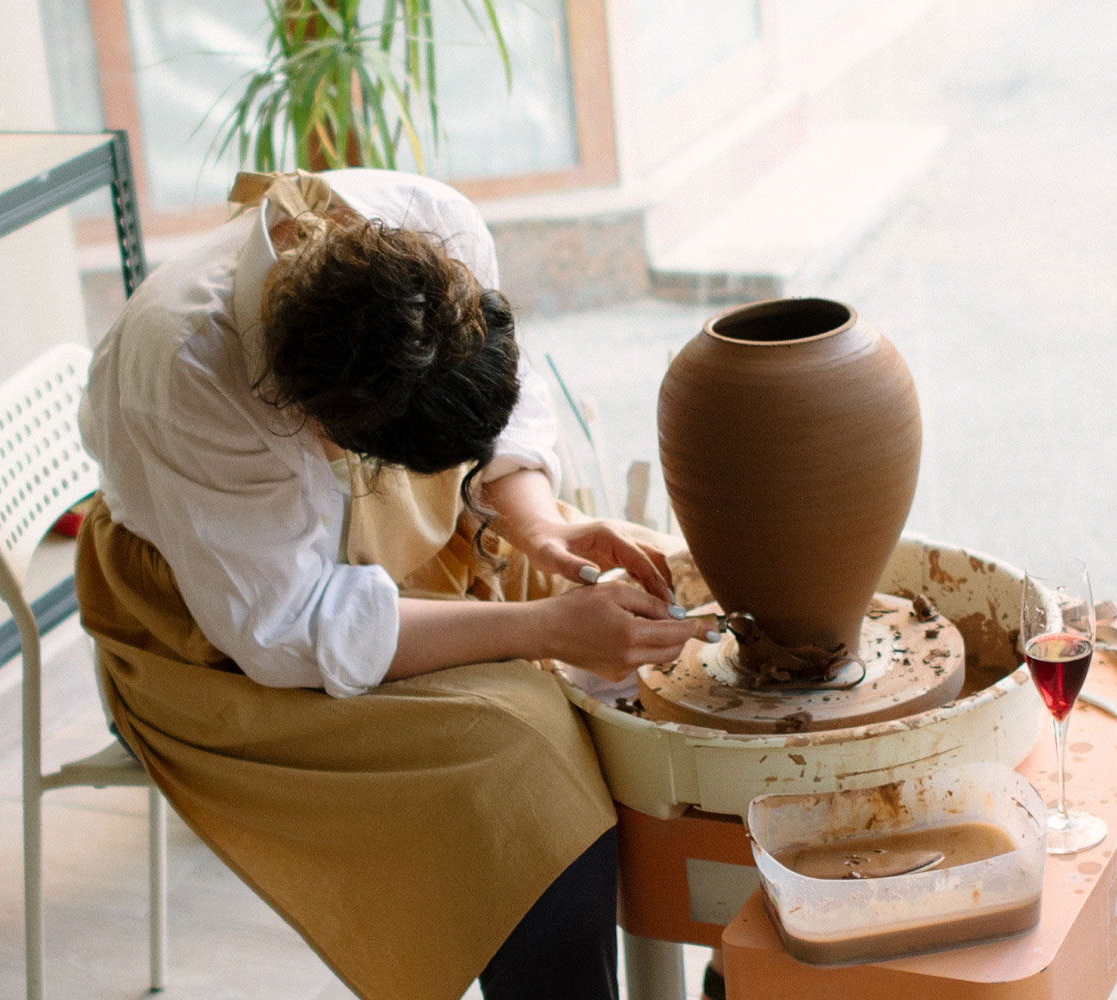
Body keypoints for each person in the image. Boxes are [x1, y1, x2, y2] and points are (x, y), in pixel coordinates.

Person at [73, 167, 708, 1000]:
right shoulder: (188, 367)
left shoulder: (429, 223)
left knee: (690, 604)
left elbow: (504, 418)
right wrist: (541, 631)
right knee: (523, 761)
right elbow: (286, 627)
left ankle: (738, 974)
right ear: (328, 430)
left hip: (392, 520)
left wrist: (540, 525)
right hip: (212, 619)